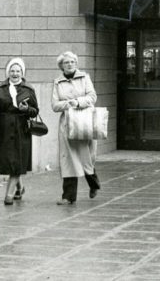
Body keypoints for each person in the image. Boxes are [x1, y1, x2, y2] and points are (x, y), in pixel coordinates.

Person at [0, 58, 39, 205]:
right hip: (4, 129)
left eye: (18, 71)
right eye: (12, 70)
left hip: (21, 129)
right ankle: (20, 188)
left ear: (22, 73)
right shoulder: (1, 89)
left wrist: (26, 109)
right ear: (8, 72)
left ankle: (8, 196)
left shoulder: (28, 89)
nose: (15, 73)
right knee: (10, 161)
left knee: (17, 162)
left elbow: (35, 111)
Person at [52, 51, 100, 205]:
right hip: (67, 124)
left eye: (72, 61)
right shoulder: (57, 82)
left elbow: (92, 97)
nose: (70, 64)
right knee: (69, 159)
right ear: (61, 66)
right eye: (66, 62)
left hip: (84, 121)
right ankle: (68, 196)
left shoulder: (85, 78)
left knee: (86, 157)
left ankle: (94, 184)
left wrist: (78, 102)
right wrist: (68, 104)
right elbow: (54, 105)